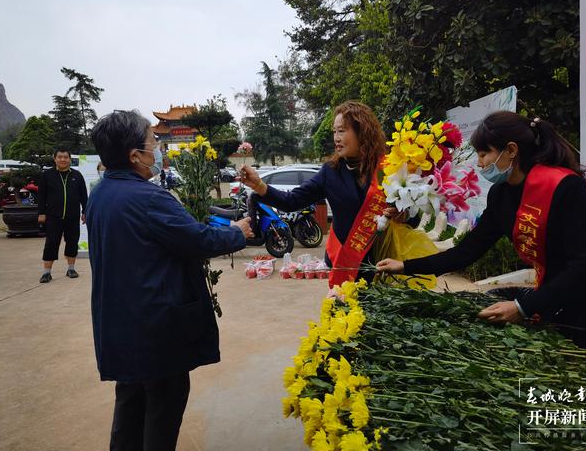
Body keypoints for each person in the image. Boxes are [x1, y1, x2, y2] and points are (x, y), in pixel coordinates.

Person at [376, 111, 586, 376]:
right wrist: (405, 266)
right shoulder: (501, 196)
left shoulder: (566, 188)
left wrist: (524, 307)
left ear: (510, 150)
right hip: (555, 302)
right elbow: (468, 251)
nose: (479, 165)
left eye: (483, 154)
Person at [87, 110, 253, 451]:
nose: (158, 147)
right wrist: (237, 232)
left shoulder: (100, 196)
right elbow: (198, 240)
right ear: (135, 155)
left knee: (130, 408)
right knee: (162, 410)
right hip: (155, 329)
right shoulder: (148, 198)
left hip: (120, 325)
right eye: (153, 142)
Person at [240, 100, 399, 286]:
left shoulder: (388, 168)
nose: (336, 138)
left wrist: (402, 216)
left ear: (362, 132)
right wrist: (258, 184)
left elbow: (412, 218)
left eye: (342, 130)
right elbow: (291, 201)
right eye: (334, 131)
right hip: (345, 264)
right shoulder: (330, 172)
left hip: (384, 265)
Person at [37, 147, 88, 283]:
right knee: (51, 243)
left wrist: (85, 212)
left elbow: (84, 196)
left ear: (70, 159)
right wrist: (41, 213)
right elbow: (41, 196)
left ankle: (71, 268)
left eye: (65, 157)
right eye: (60, 157)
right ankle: (47, 272)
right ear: (55, 159)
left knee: (72, 241)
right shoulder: (47, 175)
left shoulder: (77, 176)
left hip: (72, 216)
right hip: (53, 216)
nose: (63, 159)